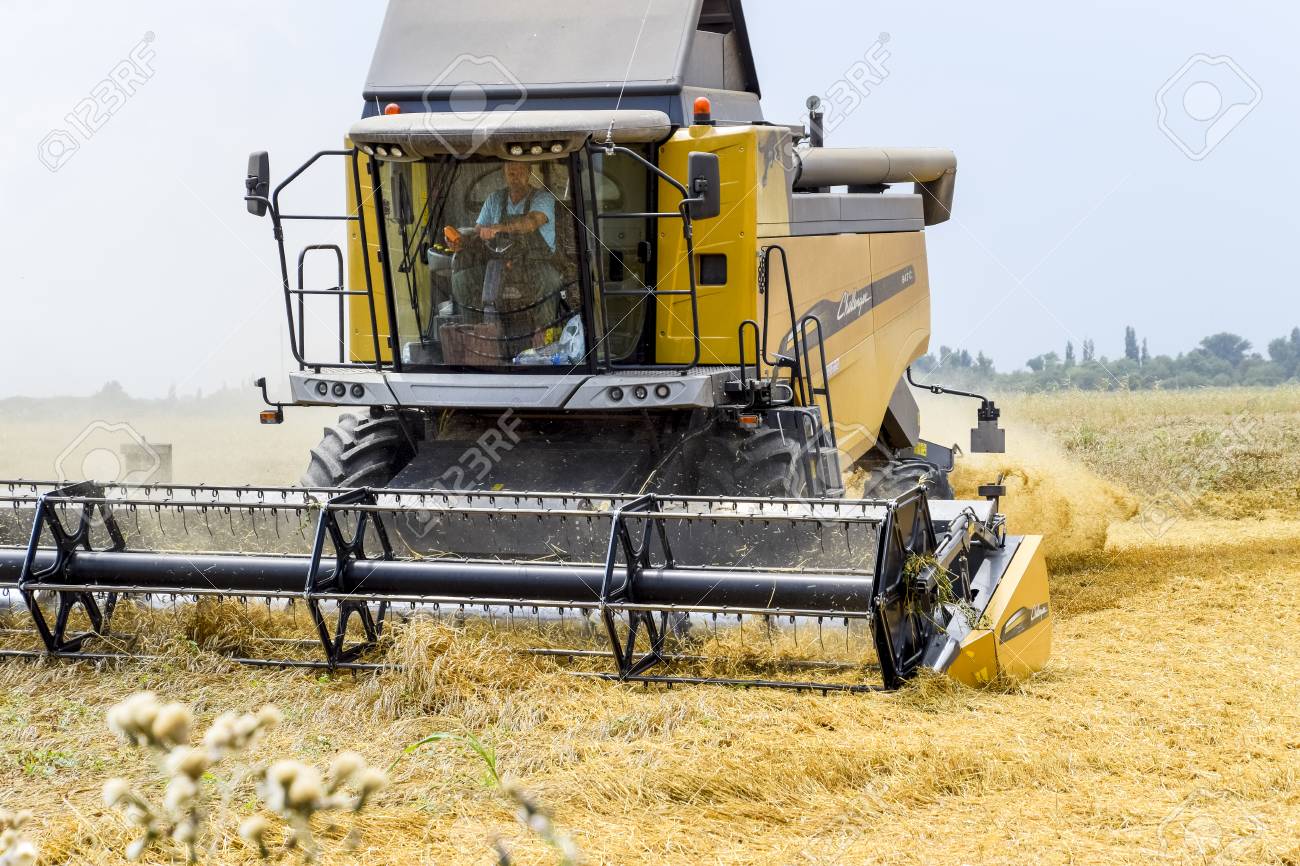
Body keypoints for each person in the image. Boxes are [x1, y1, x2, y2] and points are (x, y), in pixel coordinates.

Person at [448, 162, 563, 360]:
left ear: (529, 172)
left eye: (519, 170)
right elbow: (478, 232)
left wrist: (500, 228)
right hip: (499, 264)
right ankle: (477, 335)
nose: (514, 174)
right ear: (504, 173)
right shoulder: (494, 199)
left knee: (551, 281)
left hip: (534, 263)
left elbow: (531, 222)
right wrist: (460, 240)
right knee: (462, 280)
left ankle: (542, 336)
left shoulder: (543, 199)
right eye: (510, 171)